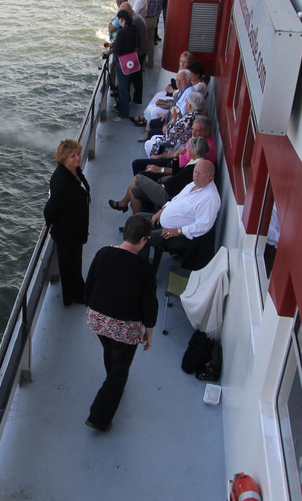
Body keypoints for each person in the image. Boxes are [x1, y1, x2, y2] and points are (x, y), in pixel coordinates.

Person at [83, 214, 158, 432]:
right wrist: (149, 332)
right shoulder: (145, 269)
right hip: (124, 328)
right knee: (120, 371)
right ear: (143, 240)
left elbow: (89, 286)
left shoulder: (103, 253)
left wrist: (93, 309)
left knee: (109, 349)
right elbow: (149, 305)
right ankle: (99, 418)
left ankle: (111, 376)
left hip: (97, 320)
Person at [147, 159, 221, 271]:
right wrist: (161, 210)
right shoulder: (194, 184)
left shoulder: (210, 199)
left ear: (210, 176)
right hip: (162, 219)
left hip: (175, 234)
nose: (196, 175)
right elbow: (176, 199)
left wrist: (178, 231)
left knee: (142, 236)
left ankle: (143, 271)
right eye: (195, 171)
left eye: (200, 173)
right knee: (136, 220)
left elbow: (202, 226)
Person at [44, 138, 91, 306]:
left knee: (75, 262)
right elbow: (50, 209)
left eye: (78, 154)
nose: (78, 158)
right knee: (69, 264)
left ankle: (77, 291)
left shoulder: (75, 171)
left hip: (76, 228)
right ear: (64, 159)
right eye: (73, 156)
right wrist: (50, 222)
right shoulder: (62, 181)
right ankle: (73, 296)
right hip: (67, 232)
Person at [104, 8, 138, 120]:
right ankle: (122, 108)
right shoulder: (134, 29)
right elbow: (137, 43)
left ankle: (123, 114)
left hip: (121, 62)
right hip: (131, 61)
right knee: (126, 86)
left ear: (121, 19)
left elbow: (117, 49)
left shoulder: (121, 32)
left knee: (123, 89)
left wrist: (109, 51)